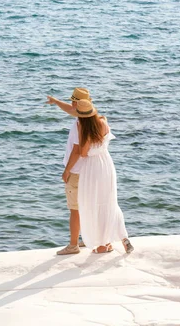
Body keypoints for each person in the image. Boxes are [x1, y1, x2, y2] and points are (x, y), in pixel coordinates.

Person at [75, 99, 134, 254]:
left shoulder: (82, 127)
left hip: (92, 167)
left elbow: (83, 152)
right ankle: (119, 237)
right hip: (106, 165)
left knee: (94, 204)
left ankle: (102, 244)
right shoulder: (103, 122)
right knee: (109, 202)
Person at [46, 87, 91, 255]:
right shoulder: (89, 116)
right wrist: (56, 102)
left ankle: (73, 245)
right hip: (88, 171)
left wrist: (67, 171)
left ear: (76, 103)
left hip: (77, 171)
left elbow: (77, 150)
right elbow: (71, 110)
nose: (71, 104)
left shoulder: (81, 123)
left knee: (74, 209)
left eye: (73, 101)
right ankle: (88, 238)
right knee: (86, 207)